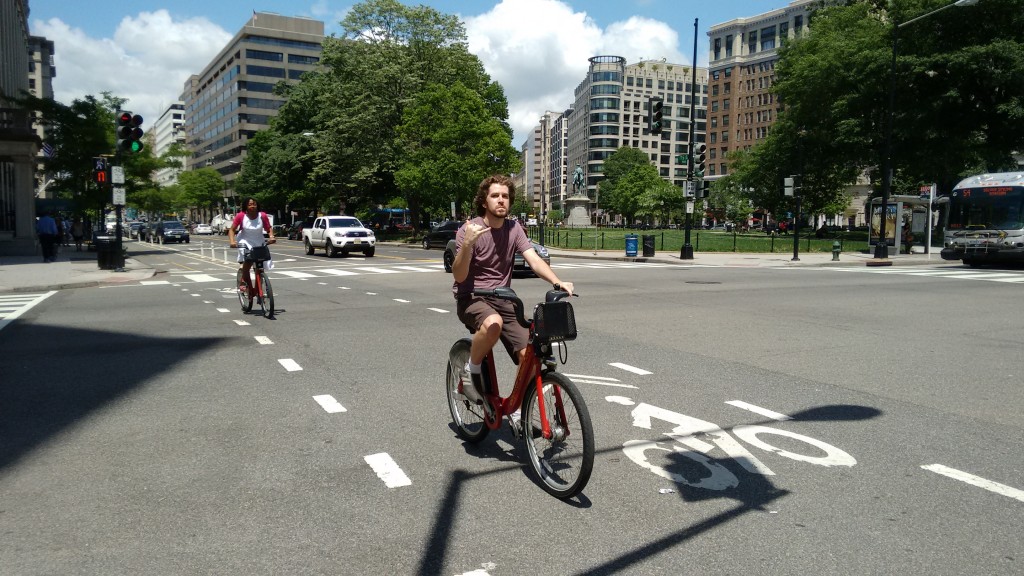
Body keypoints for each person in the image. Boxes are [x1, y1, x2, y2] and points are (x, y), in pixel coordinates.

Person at [451, 174, 574, 406]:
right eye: (495, 196)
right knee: (493, 323)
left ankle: (519, 410)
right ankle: (470, 370)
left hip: (502, 298)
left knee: (530, 355)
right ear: (484, 201)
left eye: (505, 196)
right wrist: (467, 244)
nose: (501, 200)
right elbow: (459, 275)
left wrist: (557, 282)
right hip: (472, 297)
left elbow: (534, 260)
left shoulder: (514, 228)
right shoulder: (470, 230)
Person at [228, 197, 276, 301]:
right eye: (250, 204)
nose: (252, 206)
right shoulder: (241, 216)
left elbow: (268, 228)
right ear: (246, 206)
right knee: (248, 264)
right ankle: (246, 284)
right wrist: (232, 241)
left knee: (260, 268)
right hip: (245, 241)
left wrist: (271, 236)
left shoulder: (262, 215)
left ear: (257, 205)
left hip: (259, 241)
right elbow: (232, 230)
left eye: (254, 204)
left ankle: (259, 291)